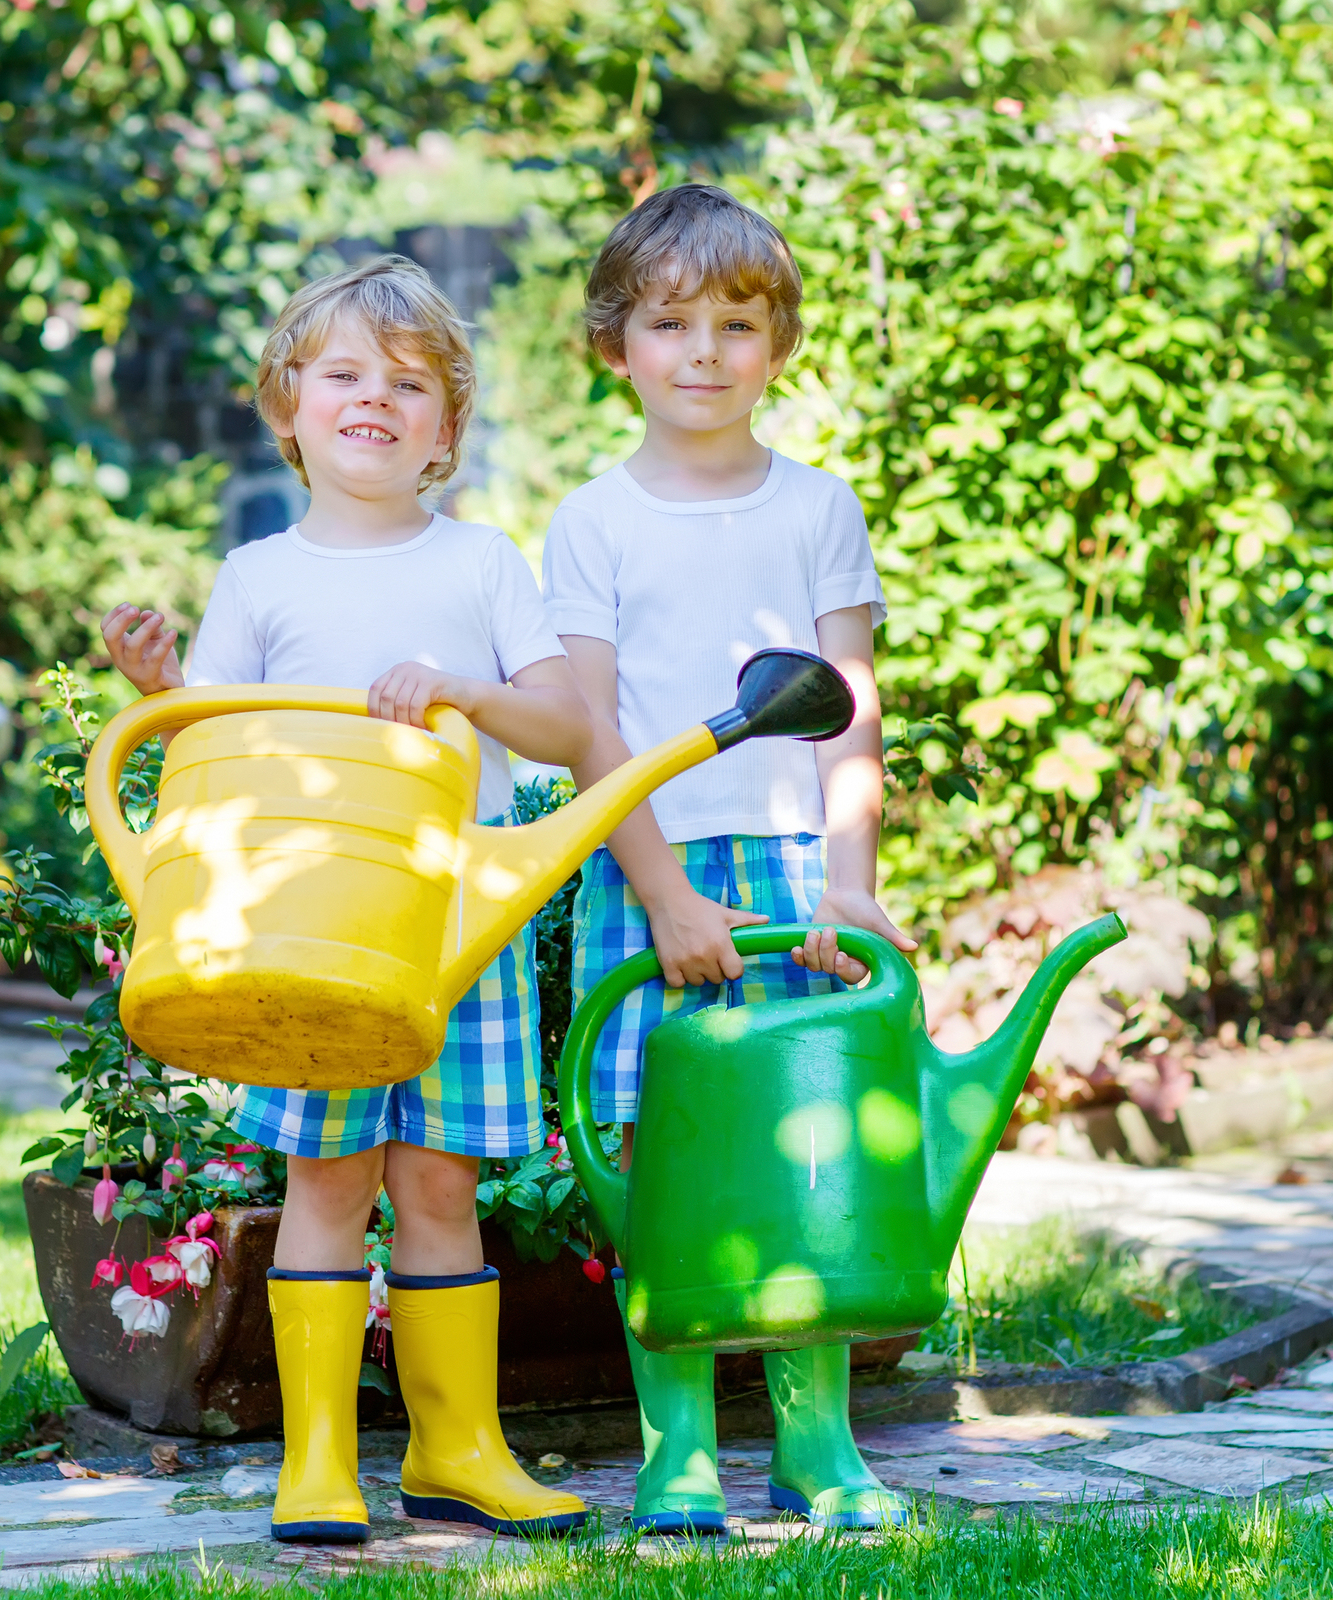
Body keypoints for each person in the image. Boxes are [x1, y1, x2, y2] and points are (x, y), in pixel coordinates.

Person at [102, 256, 591, 1544]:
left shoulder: (483, 563)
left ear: (445, 428)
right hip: (307, 928)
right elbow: (205, 752)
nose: (377, 397)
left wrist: (465, 692)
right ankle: (318, 1460)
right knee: (325, 1176)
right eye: (345, 373)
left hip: (449, 924)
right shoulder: (261, 576)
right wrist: (155, 693)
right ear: (288, 403)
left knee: (438, 1186)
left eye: (411, 382)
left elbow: (562, 724)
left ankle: (455, 1448)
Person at [542, 184, 915, 1533]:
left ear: (779, 341)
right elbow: (593, 731)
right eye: (670, 321)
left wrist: (849, 877)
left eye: (735, 324)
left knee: (805, 1145)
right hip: (652, 866)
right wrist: (661, 894)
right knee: (672, 1160)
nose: (704, 350)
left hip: (796, 871)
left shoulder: (818, 504)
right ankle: (680, 1447)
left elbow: (846, 701)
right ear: (617, 341)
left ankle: (819, 1447)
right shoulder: (591, 520)